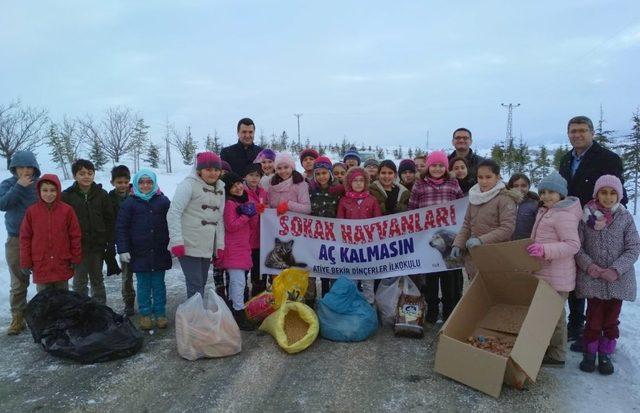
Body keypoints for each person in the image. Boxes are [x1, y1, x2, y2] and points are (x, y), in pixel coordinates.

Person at [558, 116, 627, 343]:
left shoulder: (608, 158)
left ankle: (596, 329)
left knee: (594, 275)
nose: (576, 135)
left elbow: (616, 196)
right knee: (575, 271)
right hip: (572, 222)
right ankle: (576, 323)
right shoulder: (566, 159)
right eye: (572, 131)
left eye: (582, 130)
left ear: (592, 132)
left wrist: (607, 222)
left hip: (598, 227)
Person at [575, 175, 639, 375]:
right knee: (593, 319)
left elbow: (634, 247)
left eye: (613, 193)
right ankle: (590, 352)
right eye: (604, 192)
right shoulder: (586, 217)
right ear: (597, 194)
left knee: (611, 320)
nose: (608, 197)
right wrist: (589, 266)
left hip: (617, 281)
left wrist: (616, 269)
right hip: (593, 279)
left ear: (619, 196)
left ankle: (605, 354)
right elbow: (577, 247)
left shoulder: (625, 217)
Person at [526, 172, 582, 366]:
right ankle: (547, 349)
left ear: (561, 194)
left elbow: (572, 245)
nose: (546, 196)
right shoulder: (546, 211)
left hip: (558, 277)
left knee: (555, 318)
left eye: (552, 192)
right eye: (543, 192)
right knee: (546, 315)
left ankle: (557, 355)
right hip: (545, 273)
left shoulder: (563, 215)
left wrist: (544, 250)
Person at [408, 151, 464, 323]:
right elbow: (412, 209)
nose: (437, 168)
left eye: (441, 165)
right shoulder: (420, 185)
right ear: (428, 167)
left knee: (449, 278)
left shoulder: (453, 184)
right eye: (434, 165)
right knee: (431, 278)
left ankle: (448, 310)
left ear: (446, 167)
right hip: (428, 240)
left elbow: (461, 207)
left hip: (449, 239)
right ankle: (431, 309)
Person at [116, 169, 172, 330]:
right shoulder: (129, 203)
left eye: (149, 182)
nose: (145, 185)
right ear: (135, 184)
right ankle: (145, 314)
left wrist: (173, 243)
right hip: (139, 253)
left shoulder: (163, 201)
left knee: (159, 284)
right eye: (141, 182)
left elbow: (172, 222)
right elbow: (121, 228)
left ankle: (160, 313)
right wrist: (123, 249)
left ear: (154, 183)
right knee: (143, 285)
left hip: (160, 251)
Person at [167, 152, 225, 299]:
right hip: (188, 243)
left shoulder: (221, 188)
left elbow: (219, 219)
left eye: (216, 169)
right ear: (199, 170)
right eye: (208, 169)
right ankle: (195, 318)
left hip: (206, 246)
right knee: (195, 283)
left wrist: (219, 246)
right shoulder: (188, 185)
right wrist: (176, 241)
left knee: (202, 283)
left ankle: (194, 315)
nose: (213, 173)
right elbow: (173, 213)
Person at [451, 159, 518, 279]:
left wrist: (481, 240)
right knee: (478, 289)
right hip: (475, 255)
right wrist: (458, 244)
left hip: (496, 255)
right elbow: (467, 224)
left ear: (497, 177)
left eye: (488, 177)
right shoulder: (475, 197)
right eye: (480, 177)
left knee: (496, 290)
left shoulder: (504, 199)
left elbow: (507, 228)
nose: (484, 181)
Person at [62, 159, 115, 305]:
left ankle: (100, 309)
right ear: (75, 176)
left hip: (97, 245)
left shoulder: (101, 194)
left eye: (90, 173)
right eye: (82, 173)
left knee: (97, 279)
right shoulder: (67, 196)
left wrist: (109, 240)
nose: (86, 176)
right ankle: (81, 310)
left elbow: (109, 219)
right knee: (79, 281)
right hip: (78, 247)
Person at [0, 150, 40, 335]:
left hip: (39, 237)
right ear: (13, 168)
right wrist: (18, 186)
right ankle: (18, 317)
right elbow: (2, 204)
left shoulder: (40, 185)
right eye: (21, 167)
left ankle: (45, 313)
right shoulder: (8, 184)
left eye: (29, 167)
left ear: (34, 168)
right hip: (16, 238)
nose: (25, 171)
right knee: (18, 280)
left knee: (44, 278)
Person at [19, 174, 81, 293]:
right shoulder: (32, 212)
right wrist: (25, 262)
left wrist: (75, 257)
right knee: (44, 300)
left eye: (53, 190)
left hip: (61, 263)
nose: (49, 194)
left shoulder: (67, 210)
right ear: (39, 191)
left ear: (58, 190)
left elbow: (75, 235)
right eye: (45, 190)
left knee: (63, 299)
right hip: (41, 265)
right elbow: (25, 238)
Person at [337, 167, 382, 303]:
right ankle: (352, 305)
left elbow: (379, 221)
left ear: (366, 182)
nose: (358, 183)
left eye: (361, 180)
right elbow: (340, 222)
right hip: (350, 247)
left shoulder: (372, 200)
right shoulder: (344, 201)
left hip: (368, 247)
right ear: (349, 183)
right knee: (352, 278)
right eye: (355, 180)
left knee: (368, 279)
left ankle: (369, 305)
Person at [219, 172, 257, 330]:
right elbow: (231, 225)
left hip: (242, 248)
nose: (238, 187)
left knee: (239, 282)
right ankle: (238, 313)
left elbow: (252, 227)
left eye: (239, 183)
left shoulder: (242, 201)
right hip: (233, 249)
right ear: (228, 189)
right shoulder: (229, 204)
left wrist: (253, 214)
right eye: (233, 186)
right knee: (238, 282)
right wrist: (246, 216)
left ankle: (237, 311)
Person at [308, 156, 344, 300]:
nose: (321, 176)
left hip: (335, 235)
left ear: (329, 173)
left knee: (333, 268)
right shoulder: (311, 189)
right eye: (317, 173)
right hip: (316, 235)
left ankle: (332, 300)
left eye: (324, 173)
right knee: (320, 268)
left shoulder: (339, 189)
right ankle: (321, 297)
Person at [106, 165, 136, 316]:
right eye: (119, 182)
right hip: (123, 242)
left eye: (125, 182)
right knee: (127, 274)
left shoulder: (136, 193)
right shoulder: (109, 199)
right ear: (113, 182)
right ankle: (128, 302)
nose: (123, 185)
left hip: (138, 239)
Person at [243, 163, 269, 296]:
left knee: (259, 276)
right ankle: (242, 302)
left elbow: (268, 209)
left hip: (261, 240)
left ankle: (258, 304)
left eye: (257, 175)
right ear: (245, 176)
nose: (254, 178)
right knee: (242, 275)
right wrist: (253, 211)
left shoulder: (263, 192)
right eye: (251, 175)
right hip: (246, 241)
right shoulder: (241, 191)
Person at [507, 173, 540, 240]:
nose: (520, 189)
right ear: (510, 187)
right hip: (505, 242)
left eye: (523, 186)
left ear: (529, 186)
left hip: (525, 243)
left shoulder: (534, 204)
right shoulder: (505, 202)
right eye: (516, 186)